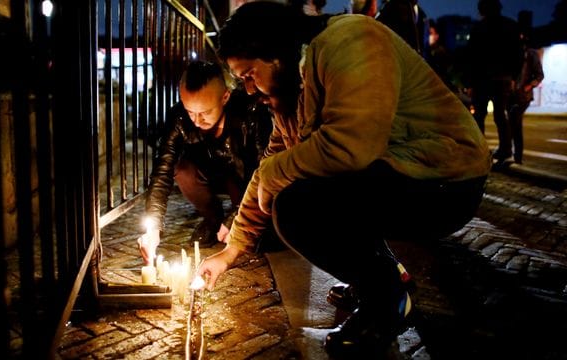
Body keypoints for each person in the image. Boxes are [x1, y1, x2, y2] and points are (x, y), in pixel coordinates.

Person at [197, 2, 491, 358]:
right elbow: (270, 166)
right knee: (294, 189)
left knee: (296, 206)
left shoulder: (352, 39)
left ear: (274, 53)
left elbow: (351, 146)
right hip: (396, 175)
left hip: (448, 180)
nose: (248, 88)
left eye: (248, 74)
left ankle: (388, 303)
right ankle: (384, 277)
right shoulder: (292, 93)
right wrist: (231, 251)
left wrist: (274, 177)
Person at [138, 60, 272, 264]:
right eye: (191, 112)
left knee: (256, 232)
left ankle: (235, 222)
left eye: (205, 112)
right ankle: (213, 221)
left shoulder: (250, 112)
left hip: (242, 176)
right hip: (209, 174)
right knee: (182, 170)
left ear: (225, 97)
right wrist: (153, 226)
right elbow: (162, 172)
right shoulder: (179, 118)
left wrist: (237, 218)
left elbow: (263, 170)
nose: (197, 121)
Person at [465, 0, 523, 164]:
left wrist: (469, 82)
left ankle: (479, 150)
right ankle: (505, 150)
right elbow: (518, 54)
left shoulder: (478, 28)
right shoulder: (511, 26)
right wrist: (513, 76)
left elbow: (471, 56)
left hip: (482, 78)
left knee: (479, 116)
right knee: (500, 115)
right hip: (503, 77)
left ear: (482, 10)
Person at [508, 35, 544, 164]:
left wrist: (528, 86)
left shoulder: (530, 54)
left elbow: (540, 75)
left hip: (523, 96)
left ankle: (517, 157)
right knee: (510, 124)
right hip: (510, 95)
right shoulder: (511, 54)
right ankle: (508, 152)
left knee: (515, 123)